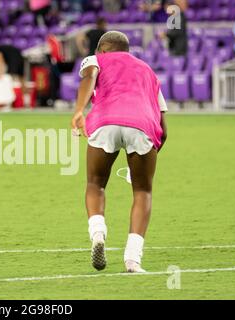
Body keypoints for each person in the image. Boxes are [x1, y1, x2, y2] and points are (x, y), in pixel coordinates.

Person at [71, 31, 168, 273]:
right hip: (143, 124)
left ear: (102, 50)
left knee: (95, 184)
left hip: (106, 120)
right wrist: (150, 154)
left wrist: (79, 110)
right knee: (143, 190)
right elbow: (164, 128)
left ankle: (98, 234)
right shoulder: (148, 71)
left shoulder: (96, 60)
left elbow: (90, 76)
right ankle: (133, 260)